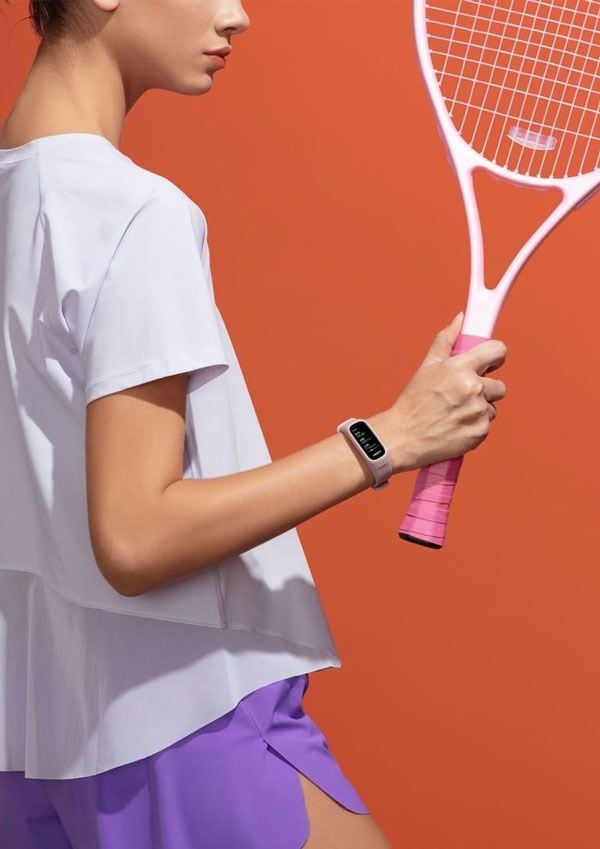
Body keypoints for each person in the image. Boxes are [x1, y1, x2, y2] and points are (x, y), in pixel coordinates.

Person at [0, 0, 508, 847]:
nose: (237, 15)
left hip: (28, 742)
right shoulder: (136, 213)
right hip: (177, 715)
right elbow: (134, 537)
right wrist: (390, 438)